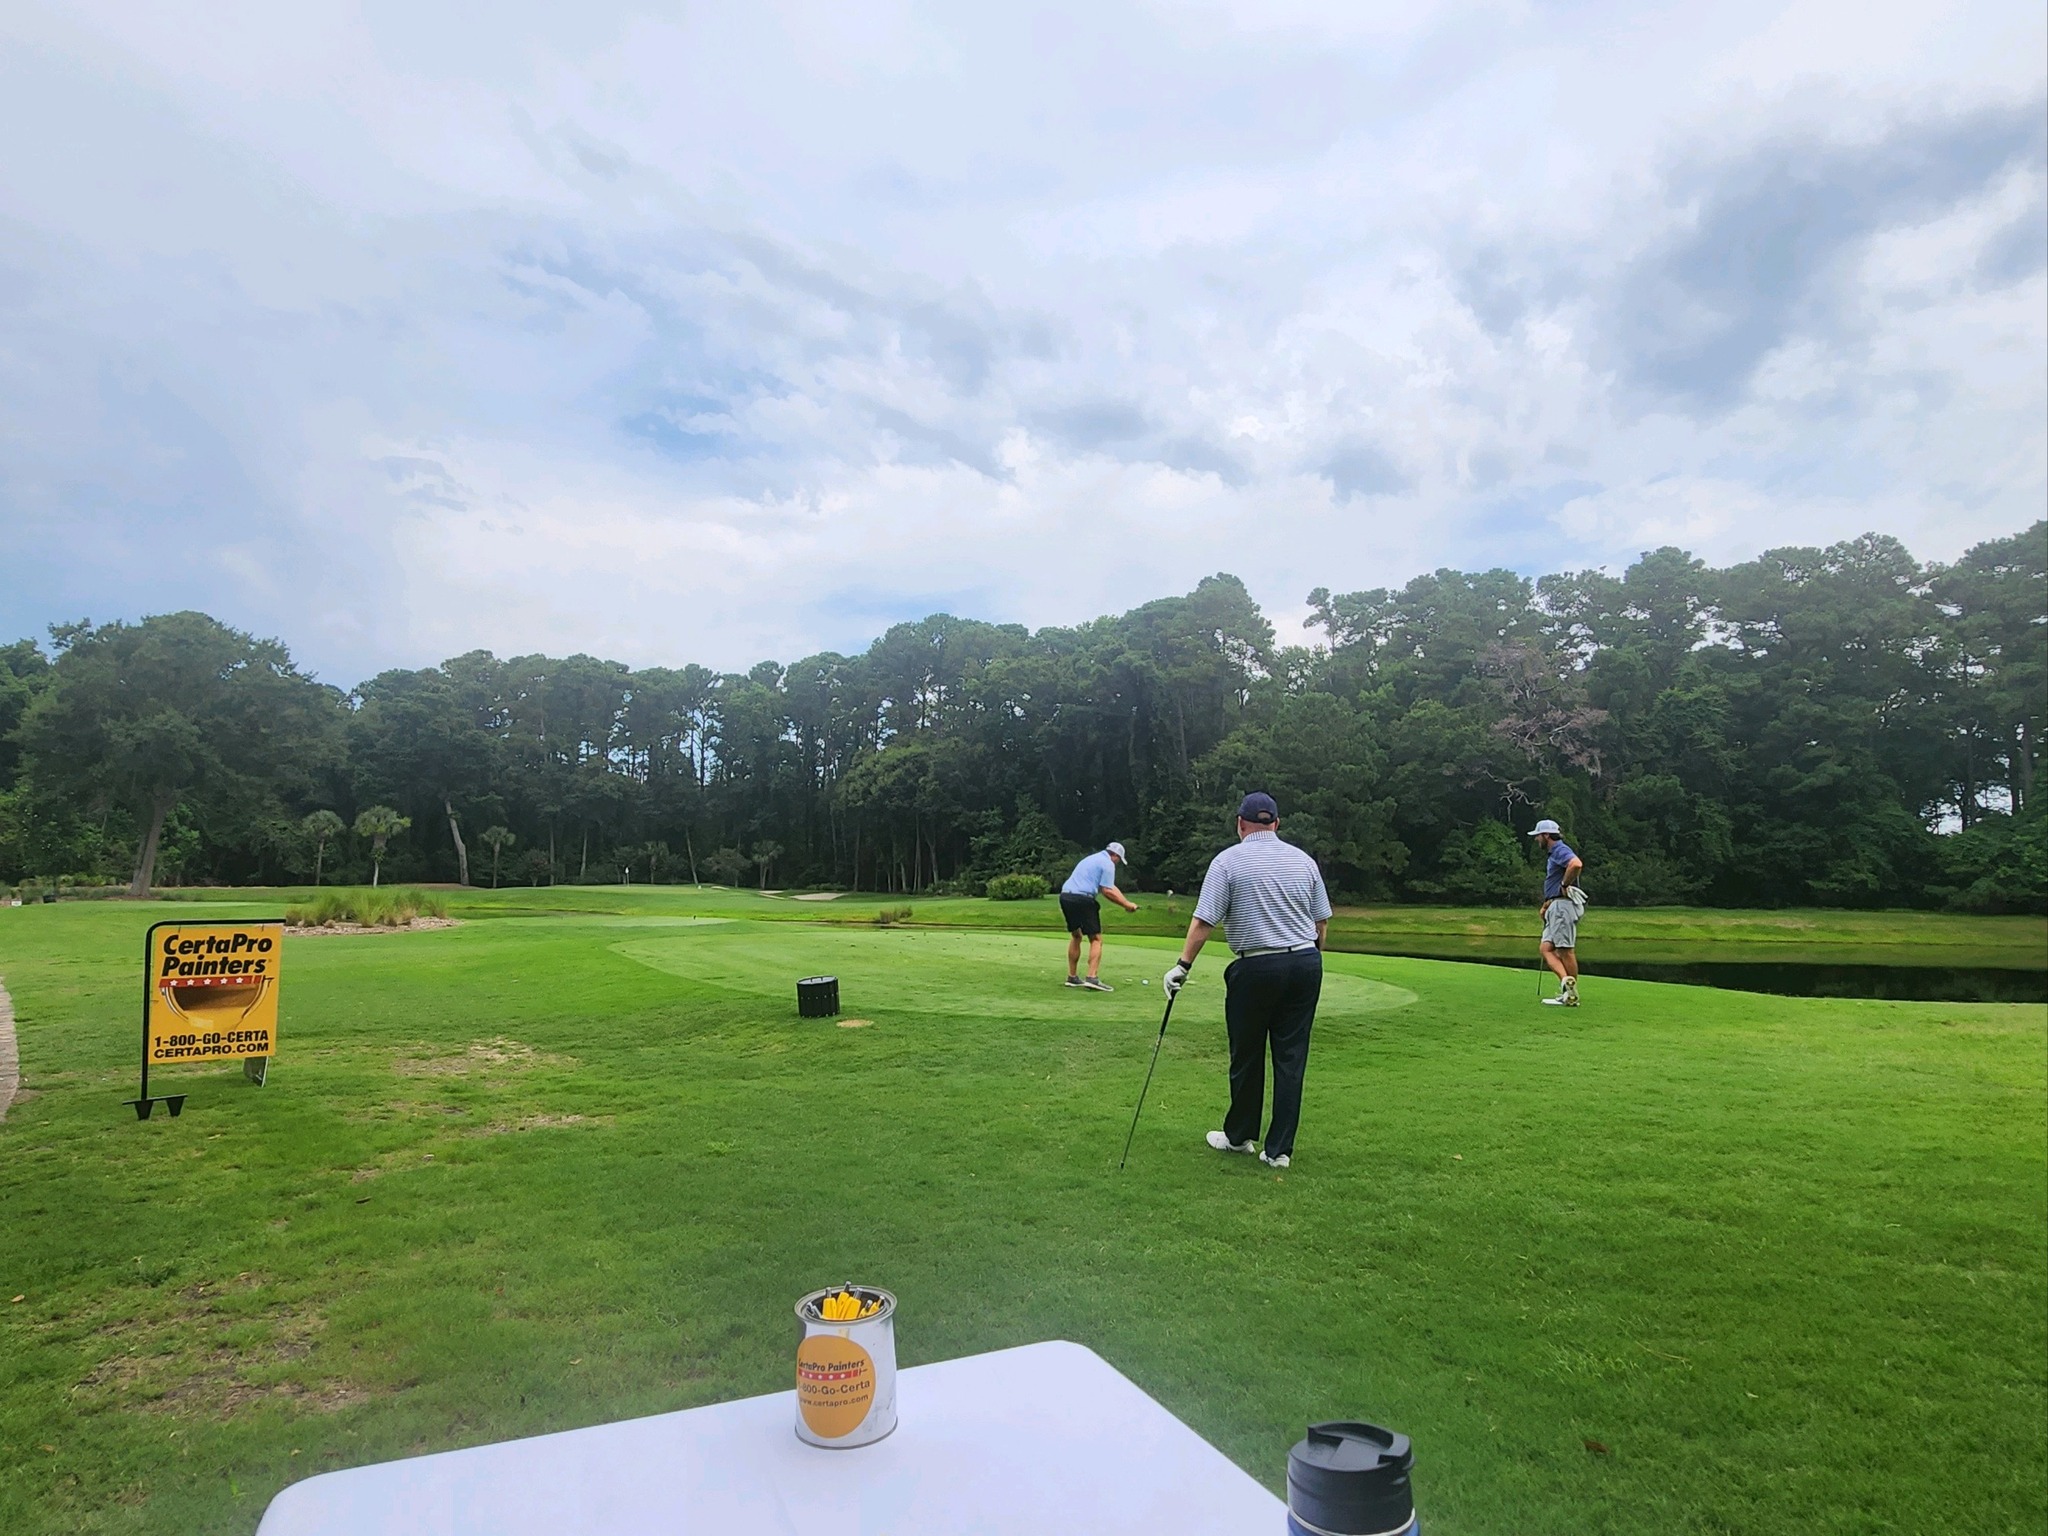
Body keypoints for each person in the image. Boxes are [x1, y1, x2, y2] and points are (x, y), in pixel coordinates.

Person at [1163, 793, 1331, 1169]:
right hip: (1306, 962)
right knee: (1291, 1057)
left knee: (1247, 1053)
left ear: (1240, 824)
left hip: (1256, 966)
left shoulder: (1227, 861)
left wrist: (1182, 967)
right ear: (1277, 823)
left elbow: (1204, 920)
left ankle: (1239, 1138)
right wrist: (1311, 959)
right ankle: (1279, 1151)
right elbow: (1321, 922)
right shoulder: (1303, 860)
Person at [1060, 841, 1138, 991]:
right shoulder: (1108, 864)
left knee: (1076, 935)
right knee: (1096, 939)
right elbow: (1107, 891)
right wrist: (1126, 905)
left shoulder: (1092, 859)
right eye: (1118, 860)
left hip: (1066, 897)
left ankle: (1072, 977)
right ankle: (1092, 978)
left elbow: (1111, 886)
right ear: (1115, 856)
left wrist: (1127, 903)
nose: (1117, 863)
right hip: (1083, 898)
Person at [1530, 818, 1584, 1006]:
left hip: (1563, 907)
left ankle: (1571, 994)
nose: (1536, 839)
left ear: (1546, 835)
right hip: (1555, 905)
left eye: (1538, 835)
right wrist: (1546, 905)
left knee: (1565, 950)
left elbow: (1576, 864)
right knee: (1546, 948)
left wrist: (1564, 884)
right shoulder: (1554, 853)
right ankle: (1566, 983)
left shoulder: (1560, 849)